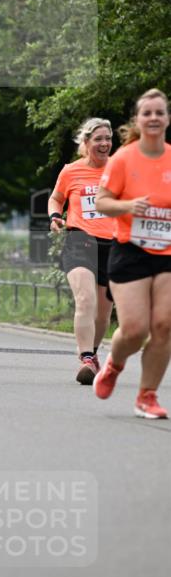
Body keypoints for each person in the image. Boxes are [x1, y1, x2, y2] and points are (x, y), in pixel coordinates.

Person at [93, 88, 171, 418]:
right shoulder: (124, 158)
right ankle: (114, 363)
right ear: (138, 120)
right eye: (147, 113)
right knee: (136, 329)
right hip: (130, 250)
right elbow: (101, 201)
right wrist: (129, 205)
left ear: (167, 118)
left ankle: (147, 395)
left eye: (159, 112)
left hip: (167, 251)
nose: (153, 118)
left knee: (165, 324)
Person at [48, 119, 116, 383]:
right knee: (85, 299)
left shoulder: (119, 169)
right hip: (79, 240)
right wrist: (55, 215)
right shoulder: (71, 171)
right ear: (86, 143)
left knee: (103, 313)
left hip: (112, 244)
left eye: (108, 138)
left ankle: (94, 352)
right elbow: (56, 197)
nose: (104, 143)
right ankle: (86, 357)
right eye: (98, 138)